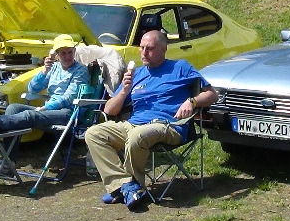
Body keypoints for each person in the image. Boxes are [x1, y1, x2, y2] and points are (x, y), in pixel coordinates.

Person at [85, 31, 217, 211]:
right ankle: (124, 185)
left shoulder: (180, 67)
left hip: (169, 126)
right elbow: (109, 110)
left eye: (150, 48)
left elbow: (212, 94)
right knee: (94, 134)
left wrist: (192, 101)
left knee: (136, 136)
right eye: (141, 48)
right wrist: (124, 91)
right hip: (134, 124)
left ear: (164, 49)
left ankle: (131, 187)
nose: (144, 53)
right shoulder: (136, 74)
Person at [0, 34, 89, 174]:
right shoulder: (54, 67)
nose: (67, 56)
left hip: (69, 113)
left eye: (70, 52)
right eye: (63, 53)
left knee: (30, 115)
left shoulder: (80, 70)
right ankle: (8, 162)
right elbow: (32, 89)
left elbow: (69, 97)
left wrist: (46, 107)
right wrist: (44, 71)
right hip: (49, 110)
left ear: (74, 52)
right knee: (13, 108)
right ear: (56, 54)